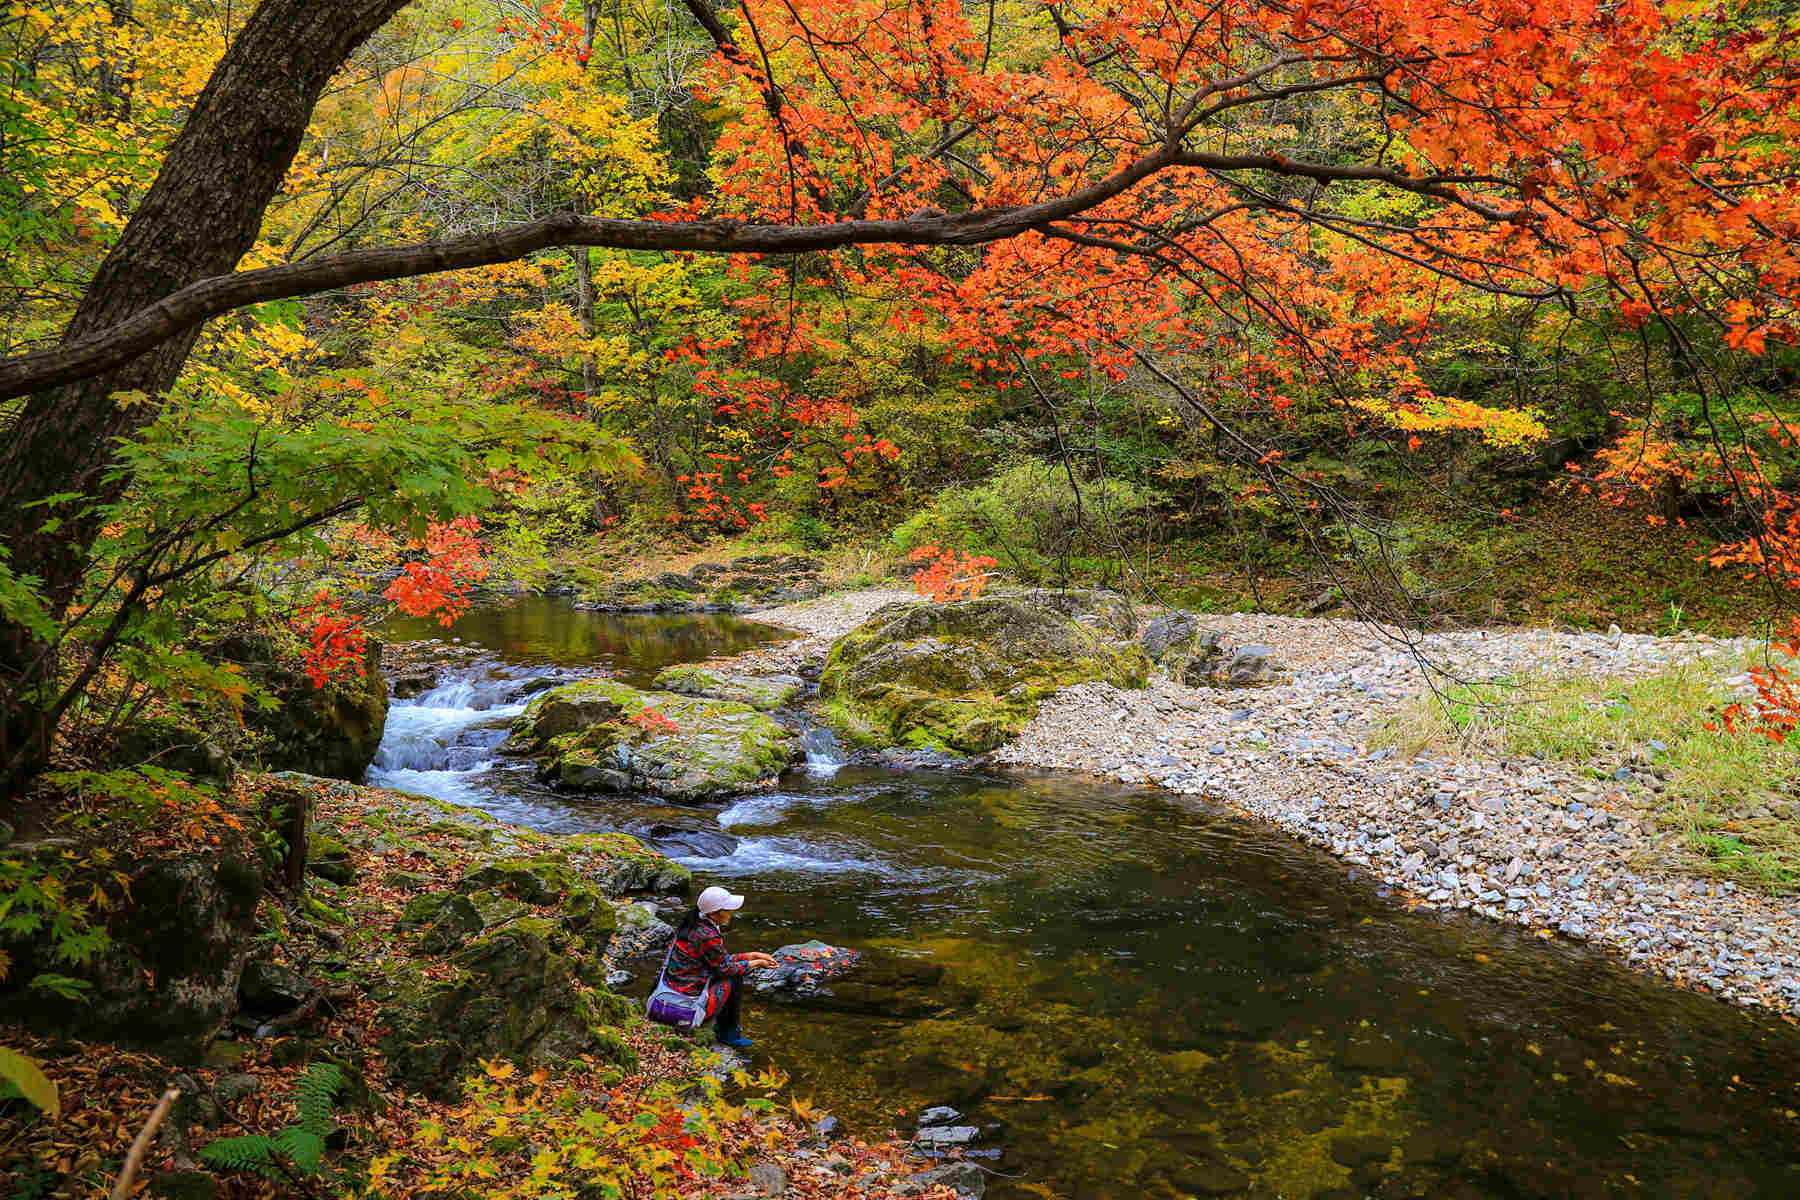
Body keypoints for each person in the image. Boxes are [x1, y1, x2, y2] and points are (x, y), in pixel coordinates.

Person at [661, 885, 778, 1048]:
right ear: (714, 913)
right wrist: (757, 963)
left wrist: (751, 955)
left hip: (670, 996)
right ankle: (729, 1035)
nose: (732, 912)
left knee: (733, 972)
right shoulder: (707, 935)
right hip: (684, 1008)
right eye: (728, 909)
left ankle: (724, 1029)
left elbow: (717, 962)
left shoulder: (693, 925)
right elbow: (725, 969)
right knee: (734, 978)